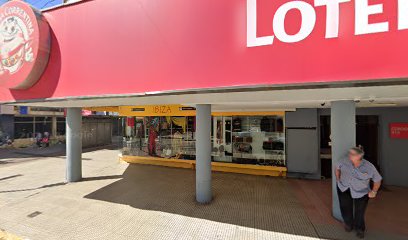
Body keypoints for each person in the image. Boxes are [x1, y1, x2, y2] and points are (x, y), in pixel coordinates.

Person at [335, 146, 382, 239]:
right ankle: (348, 224)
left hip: (361, 192)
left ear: (358, 156)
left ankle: (360, 229)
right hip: (344, 188)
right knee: (345, 207)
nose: (349, 155)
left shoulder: (369, 166)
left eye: (352, 154)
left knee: (359, 212)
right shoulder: (344, 161)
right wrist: (338, 179)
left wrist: (374, 191)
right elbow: (337, 167)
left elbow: (378, 179)